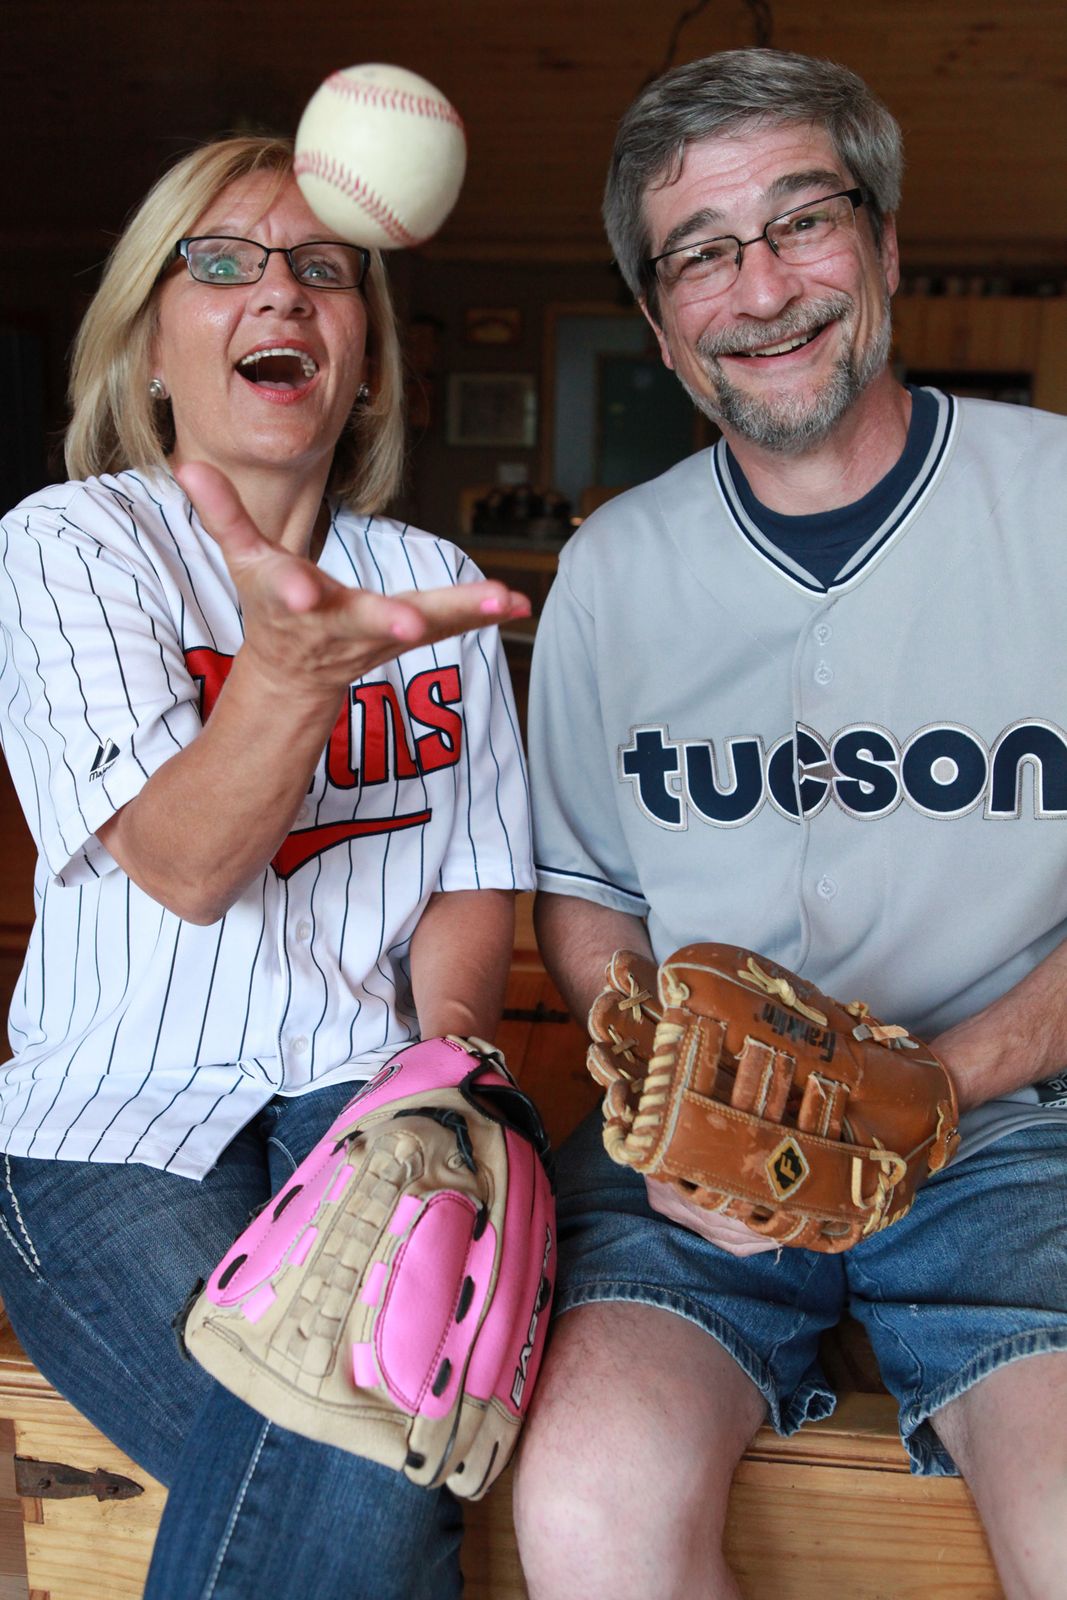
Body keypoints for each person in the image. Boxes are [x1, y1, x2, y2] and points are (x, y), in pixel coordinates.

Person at [514, 47, 1067, 1600]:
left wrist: (927, 1087)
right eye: (701, 252)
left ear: (883, 244)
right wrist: (670, 1090)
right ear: (660, 321)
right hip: (701, 1156)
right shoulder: (611, 570)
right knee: (588, 1504)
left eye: (803, 221)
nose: (761, 287)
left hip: (1015, 1132)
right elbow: (587, 895)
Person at [0, 134, 534, 1599]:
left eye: (322, 269)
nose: (279, 292)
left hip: (365, 1106)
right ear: (149, 346)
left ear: (364, 362)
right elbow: (183, 862)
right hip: (113, 1122)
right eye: (222, 262)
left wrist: (447, 1078)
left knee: (371, 1444)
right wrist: (291, 674)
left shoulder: (428, 580)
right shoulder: (73, 545)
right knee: (368, 1438)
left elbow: (474, 871)